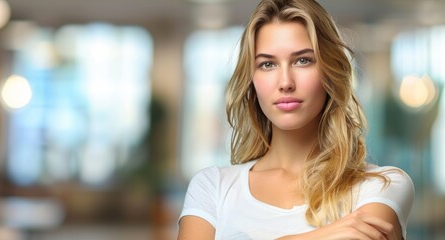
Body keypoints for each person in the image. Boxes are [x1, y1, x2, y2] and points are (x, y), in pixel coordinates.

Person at [177, 0, 414, 239]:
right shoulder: (213, 187)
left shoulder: (381, 185)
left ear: (329, 71)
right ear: (251, 80)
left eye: (303, 60)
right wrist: (324, 234)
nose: (286, 82)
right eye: (267, 64)